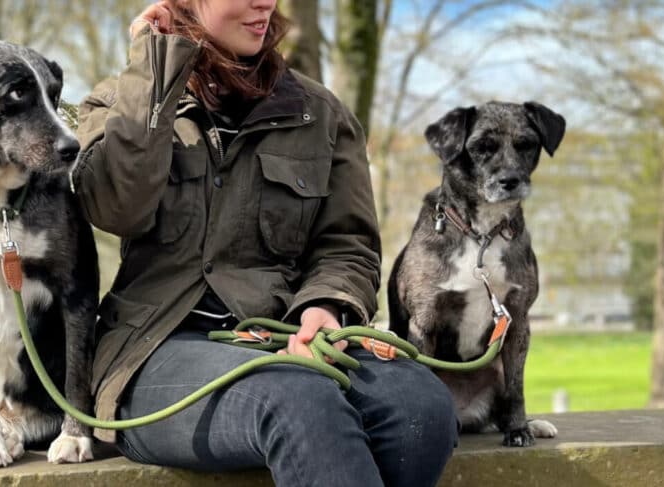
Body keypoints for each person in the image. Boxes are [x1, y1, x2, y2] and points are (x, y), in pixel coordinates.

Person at [70, 0, 458, 485]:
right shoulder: (117, 102)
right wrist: (155, 68)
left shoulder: (321, 114)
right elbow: (116, 206)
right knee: (297, 398)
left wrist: (324, 308)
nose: (265, 3)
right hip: (154, 353)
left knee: (418, 408)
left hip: (284, 338)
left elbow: (347, 245)